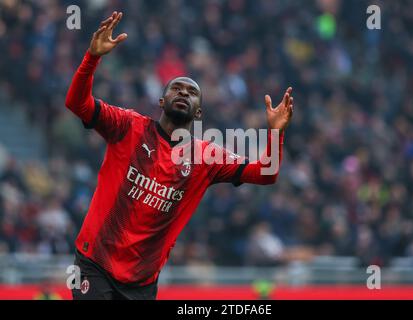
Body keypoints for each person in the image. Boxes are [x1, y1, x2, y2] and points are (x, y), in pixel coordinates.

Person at [65, 11, 294, 300]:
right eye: (177, 88)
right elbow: (76, 103)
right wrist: (92, 57)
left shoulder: (206, 157)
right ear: (162, 101)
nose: (184, 92)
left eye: (192, 92)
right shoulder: (128, 126)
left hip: (141, 280)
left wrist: (275, 133)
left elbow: (266, 172)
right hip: (94, 263)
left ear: (198, 111)